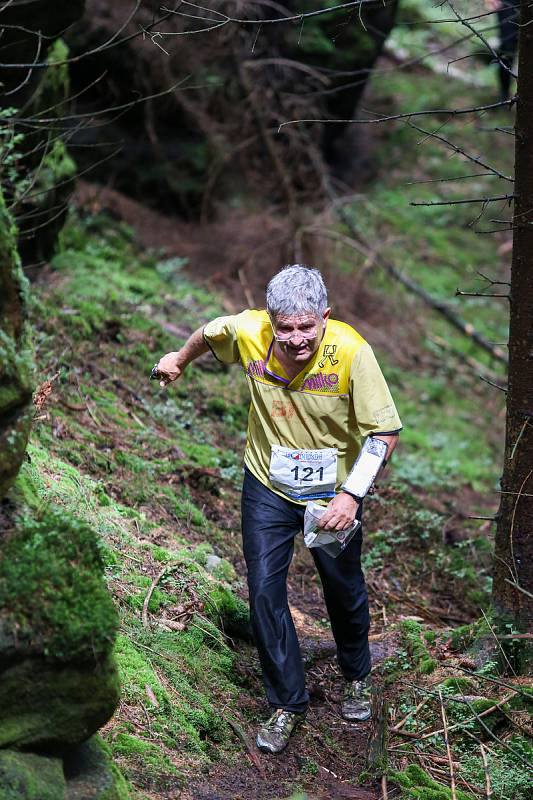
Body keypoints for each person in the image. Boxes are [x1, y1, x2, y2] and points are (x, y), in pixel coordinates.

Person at [153, 265, 402, 754]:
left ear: (325, 317)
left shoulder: (352, 352)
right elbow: (208, 333)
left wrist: (351, 497)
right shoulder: (250, 332)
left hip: (332, 495)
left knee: (343, 586)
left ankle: (356, 673)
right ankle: (287, 702)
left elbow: (384, 432)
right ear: (270, 320)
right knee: (264, 590)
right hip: (267, 484)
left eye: (306, 326)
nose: (294, 339)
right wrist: (180, 360)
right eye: (284, 327)